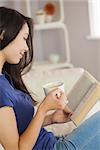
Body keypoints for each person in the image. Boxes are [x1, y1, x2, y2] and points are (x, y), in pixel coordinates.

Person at [0, 6, 100, 150]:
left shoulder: (5, 79)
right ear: (2, 34)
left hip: (55, 142)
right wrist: (43, 109)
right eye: (24, 38)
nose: (26, 48)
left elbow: (22, 129)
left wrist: (51, 118)